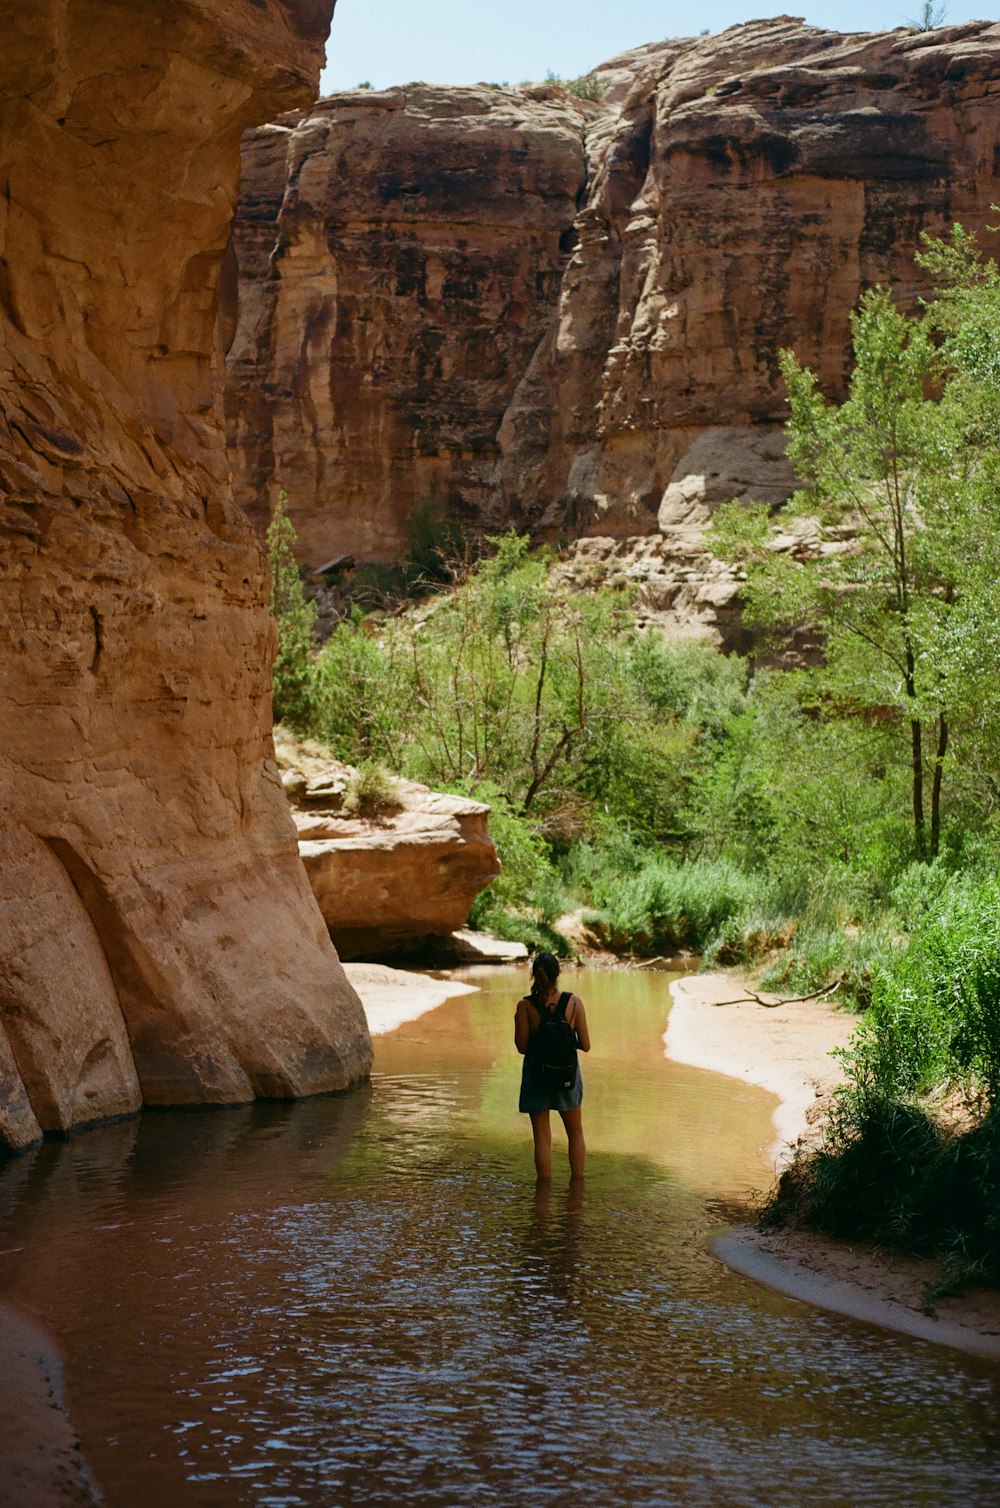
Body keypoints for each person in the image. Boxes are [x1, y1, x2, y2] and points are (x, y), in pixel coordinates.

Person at [514, 952, 591, 1182]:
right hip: (567, 1076)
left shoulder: (524, 1007)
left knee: (542, 1139)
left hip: (537, 1077)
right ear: (558, 974)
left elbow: (522, 1047)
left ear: (533, 975)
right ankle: (577, 1190)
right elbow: (586, 1046)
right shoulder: (574, 1003)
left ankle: (543, 1197)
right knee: (575, 1133)